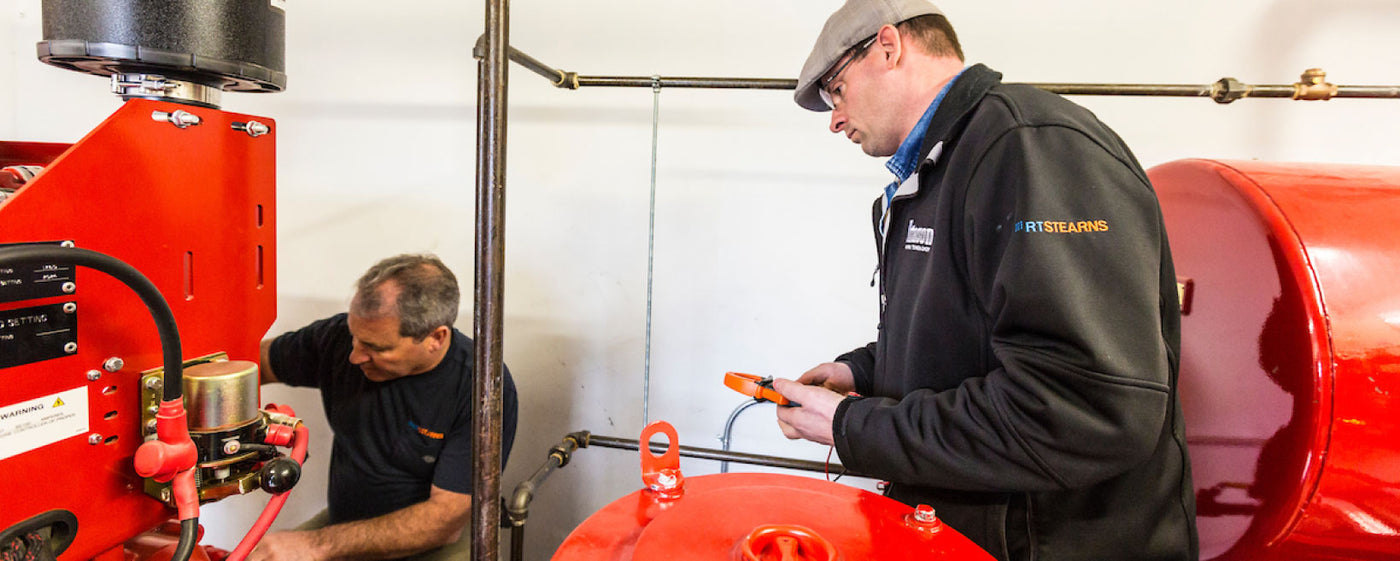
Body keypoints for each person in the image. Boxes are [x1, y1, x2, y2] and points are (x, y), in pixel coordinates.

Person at [770, 2, 1197, 560]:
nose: (834, 119)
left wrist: (854, 427)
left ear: (888, 47)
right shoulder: (941, 167)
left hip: (1052, 542)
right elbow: (971, 333)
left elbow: (1082, 407)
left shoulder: (1032, 148)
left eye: (836, 89)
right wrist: (863, 372)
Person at [249, 254, 518, 561]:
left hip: (431, 543)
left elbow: (445, 520)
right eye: (355, 338)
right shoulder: (338, 340)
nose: (354, 356)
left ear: (435, 338)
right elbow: (250, 365)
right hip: (346, 529)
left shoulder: (480, 389)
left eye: (377, 348)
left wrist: (314, 546)